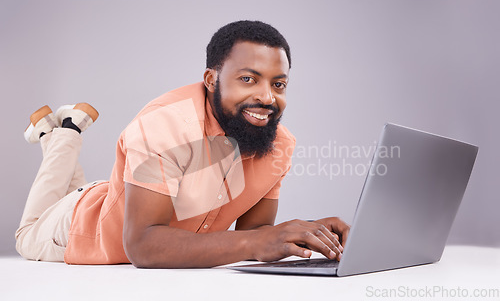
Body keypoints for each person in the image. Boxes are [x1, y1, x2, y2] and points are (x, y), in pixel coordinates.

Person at [16, 20, 350, 268]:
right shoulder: (164, 125)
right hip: (77, 226)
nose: (267, 97)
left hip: (119, 196)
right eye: (248, 79)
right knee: (26, 232)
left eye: (278, 84)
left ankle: (59, 134)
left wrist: (309, 235)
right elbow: (142, 245)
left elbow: (254, 234)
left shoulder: (278, 144)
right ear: (211, 79)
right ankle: (63, 133)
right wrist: (257, 240)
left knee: (84, 190)